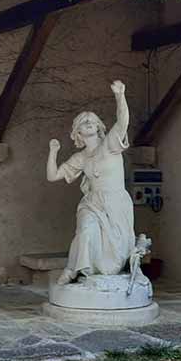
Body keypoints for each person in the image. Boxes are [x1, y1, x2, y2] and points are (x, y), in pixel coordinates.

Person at [46, 80, 135, 284]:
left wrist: (120, 96)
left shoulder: (111, 144)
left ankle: (99, 274)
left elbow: (123, 122)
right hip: (92, 203)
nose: (88, 122)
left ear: (98, 127)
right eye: (84, 122)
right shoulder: (80, 158)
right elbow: (53, 176)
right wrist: (53, 152)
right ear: (77, 132)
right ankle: (72, 269)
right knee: (86, 230)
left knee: (112, 260)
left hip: (115, 203)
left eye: (92, 121)